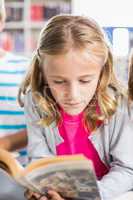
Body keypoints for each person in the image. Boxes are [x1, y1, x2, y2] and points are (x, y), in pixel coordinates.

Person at [18, 14, 133, 200]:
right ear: (43, 72)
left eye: (85, 80)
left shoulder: (119, 104)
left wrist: (91, 195)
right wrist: (43, 189)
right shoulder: (36, 99)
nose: (73, 95)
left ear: (102, 71)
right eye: (59, 81)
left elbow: (128, 169)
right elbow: (40, 159)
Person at [0, 0, 28, 151]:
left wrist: (5, 145)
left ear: (1, 22)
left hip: (18, 170)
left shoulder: (26, 69)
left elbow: (41, 126)